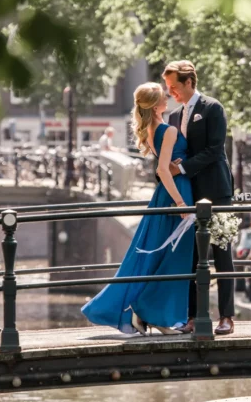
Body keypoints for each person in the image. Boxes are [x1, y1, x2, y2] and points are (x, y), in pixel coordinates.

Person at [81, 83, 194, 335]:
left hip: (165, 195)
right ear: (156, 106)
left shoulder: (153, 129)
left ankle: (152, 316)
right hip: (176, 194)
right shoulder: (168, 130)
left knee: (159, 256)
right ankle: (150, 313)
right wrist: (180, 203)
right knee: (175, 257)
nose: (168, 98)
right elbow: (162, 169)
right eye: (164, 96)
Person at [163, 59, 235, 336]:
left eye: (174, 87)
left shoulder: (213, 108)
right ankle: (192, 316)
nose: (171, 93)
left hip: (216, 192)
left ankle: (227, 316)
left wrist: (181, 167)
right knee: (190, 257)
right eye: (167, 88)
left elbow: (216, 149)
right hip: (188, 195)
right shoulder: (172, 116)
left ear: (189, 82)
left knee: (222, 253)